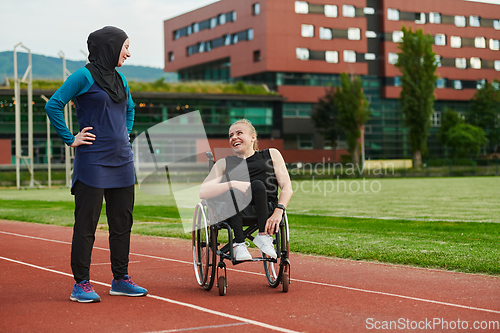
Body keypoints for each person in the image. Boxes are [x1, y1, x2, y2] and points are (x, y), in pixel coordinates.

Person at [45, 26, 147, 303]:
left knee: (122, 223)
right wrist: (70, 138)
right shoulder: (83, 75)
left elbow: (130, 108)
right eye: (126, 46)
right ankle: (81, 284)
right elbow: (53, 105)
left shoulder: (120, 79)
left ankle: (120, 279)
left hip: (123, 161)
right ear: (111, 47)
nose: (128, 52)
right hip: (93, 161)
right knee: (86, 225)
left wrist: (125, 132)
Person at [199, 119, 293, 261]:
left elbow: (287, 188)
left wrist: (279, 211)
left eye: (239, 133)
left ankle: (263, 237)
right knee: (236, 190)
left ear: (252, 137)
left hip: (267, 208)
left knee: (258, 184)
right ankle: (239, 243)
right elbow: (203, 192)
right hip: (234, 209)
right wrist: (232, 183)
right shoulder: (223, 163)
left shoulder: (271, 154)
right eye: (231, 135)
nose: (234, 137)